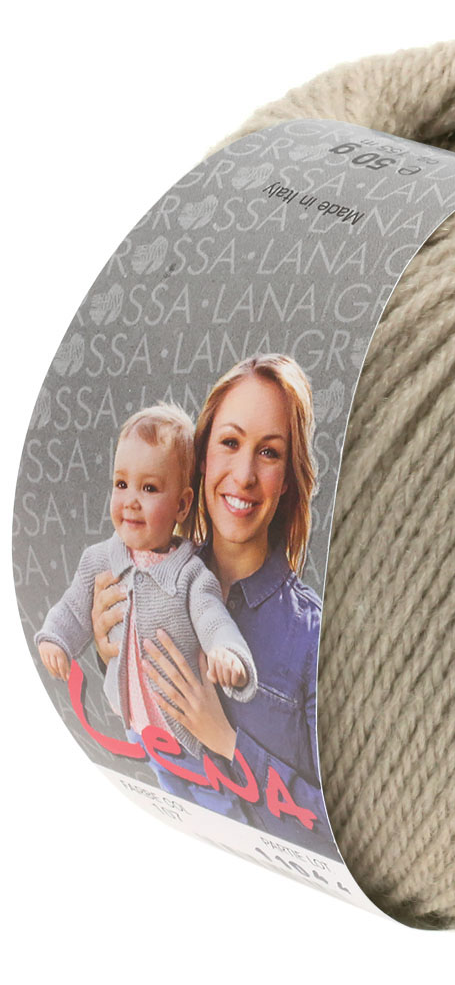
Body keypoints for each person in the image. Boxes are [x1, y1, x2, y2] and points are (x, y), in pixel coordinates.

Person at [90, 357, 335, 855]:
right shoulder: (141, 570)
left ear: (288, 478)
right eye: (229, 443)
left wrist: (228, 743)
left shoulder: (314, 640)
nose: (243, 475)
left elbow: (333, 834)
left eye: (269, 453)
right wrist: (104, 649)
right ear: (201, 459)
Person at [36, 404, 258, 809]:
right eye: (121, 484)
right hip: (136, 723)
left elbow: (213, 618)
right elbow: (72, 608)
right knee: (165, 794)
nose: (131, 501)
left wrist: (227, 653)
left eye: (149, 489)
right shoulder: (99, 560)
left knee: (212, 803)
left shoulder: (190, 575)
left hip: (185, 732)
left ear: (182, 506)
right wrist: (56, 639)